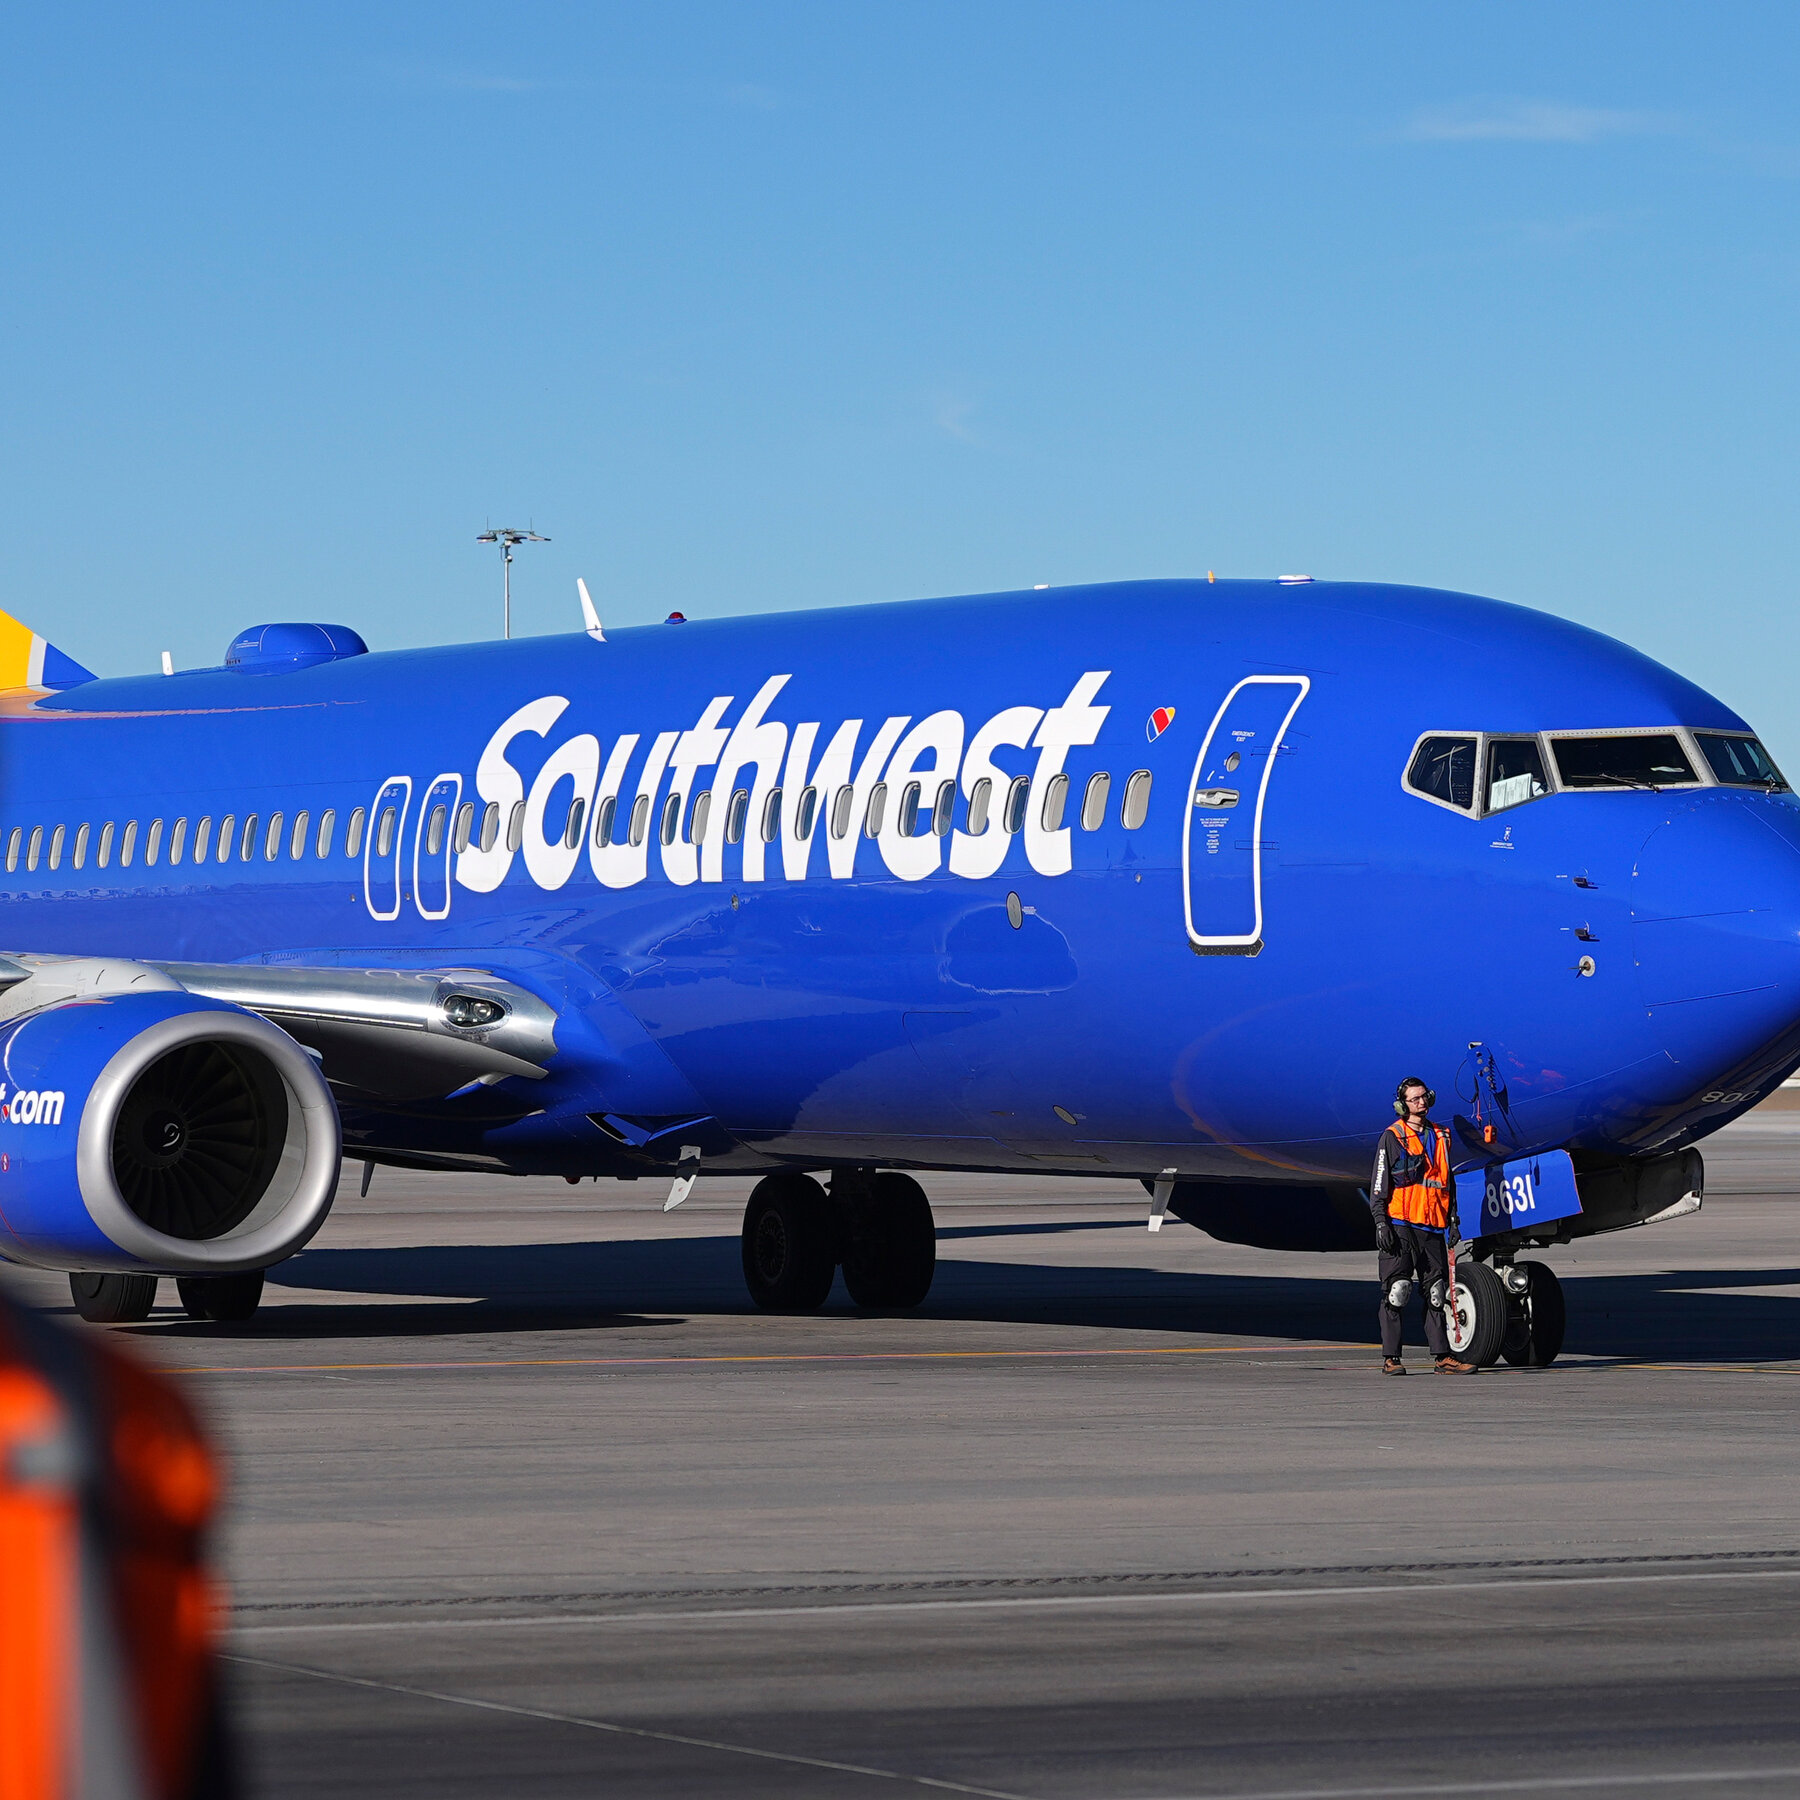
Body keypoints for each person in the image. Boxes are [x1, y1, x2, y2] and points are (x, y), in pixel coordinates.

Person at [1370, 1077, 1477, 1375]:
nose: (1421, 1103)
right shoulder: (1393, 1136)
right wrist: (1381, 1222)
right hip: (1401, 1224)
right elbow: (1379, 1182)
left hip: (1432, 1225)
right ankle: (1391, 1358)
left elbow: (1446, 1180)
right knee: (1397, 1291)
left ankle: (1443, 1357)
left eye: (1424, 1097)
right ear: (1402, 1105)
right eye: (1414, 1099)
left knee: (1436, 1293)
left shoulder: (1441, 1135)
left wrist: (1453, 1219)